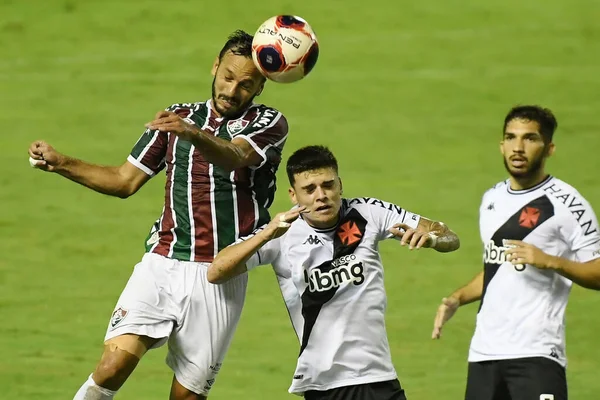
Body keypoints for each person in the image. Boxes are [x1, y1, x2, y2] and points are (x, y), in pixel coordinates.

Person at [27, 30, 289, 400]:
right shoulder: (178, 117)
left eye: (246, 84)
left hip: (220, 273)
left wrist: (193, 134)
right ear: (215, 67)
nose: (232, 90)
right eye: (228, 76)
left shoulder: (269, 123)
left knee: (187, 397)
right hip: (162, 264)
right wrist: (61, 163)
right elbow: (124, 180)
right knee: (111, 367)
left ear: (260, 87)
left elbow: (235, 156)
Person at [207, 145, 460, 399]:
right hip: (323, 385)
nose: (321, 196)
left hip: (378, 377)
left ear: (340, 184)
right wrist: (266, 233)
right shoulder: (282, 235)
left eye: (328, 185)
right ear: (293, 195)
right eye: (309, 189)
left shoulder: (368, 212)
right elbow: (216, 271)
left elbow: (449, 236)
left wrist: (432, 239)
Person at [431, 105, 600, 400]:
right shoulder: (492, 198)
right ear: (501, 145)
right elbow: (498, 268)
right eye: (511, 138)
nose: (518, 147)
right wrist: (458, 298)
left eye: (530, 138)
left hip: (536, 354)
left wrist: (550, 261)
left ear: (549, 148)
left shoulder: (569, 205)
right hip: (484, 354)